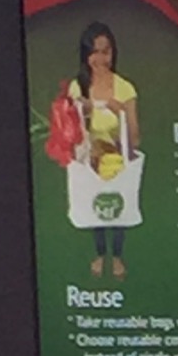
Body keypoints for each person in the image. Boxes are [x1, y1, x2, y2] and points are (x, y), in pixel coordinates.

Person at [45, 18, 139, 281]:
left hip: (117, 157)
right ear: (86, 55)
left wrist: (120, 113)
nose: (100, 59)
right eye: (94, 52)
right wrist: (82, 113)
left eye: (106, 51)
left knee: (118, 203)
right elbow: (71, 132)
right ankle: (100, 253)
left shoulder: (125, 88)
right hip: (89, 157)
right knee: (93, 203)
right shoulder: (78, 87)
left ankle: (117, 256)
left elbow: (135, 138)